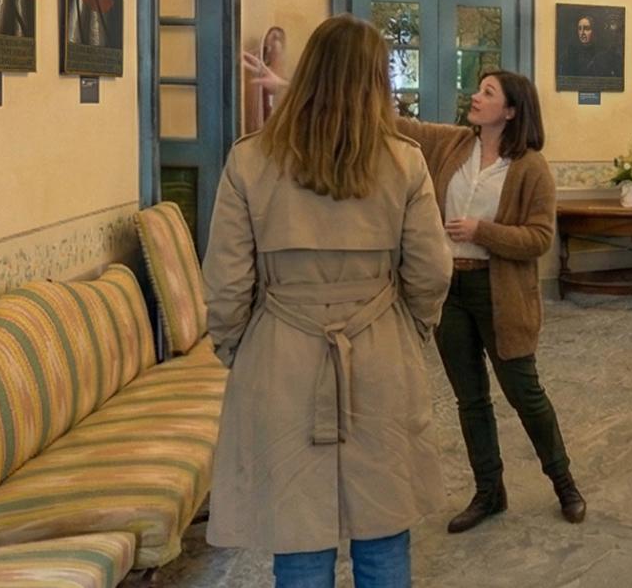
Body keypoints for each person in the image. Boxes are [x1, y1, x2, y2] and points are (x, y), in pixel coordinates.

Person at [240, 56, 588, 535]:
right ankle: (489, 491)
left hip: (501, 294)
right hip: (452, 289)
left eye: (487, 92)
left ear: (511, 111)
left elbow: (539, 239)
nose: (476, 97)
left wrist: (482, 231)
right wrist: (292, 84)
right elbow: (384, 116)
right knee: (471, 399)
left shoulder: (531, 169)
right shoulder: (451, 144)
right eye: (479, 90)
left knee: (524, 394)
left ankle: (564, 482)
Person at [204, 15, 451, 588]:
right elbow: (431, 271)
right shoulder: (404, 160)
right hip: (380, 343)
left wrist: (238, 346)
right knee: (383, 523)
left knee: (298, 529)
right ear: (376, 81)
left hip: (281, 352)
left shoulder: (249, 159)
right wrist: (410, 330)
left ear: (308, 71)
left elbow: (225, 281)